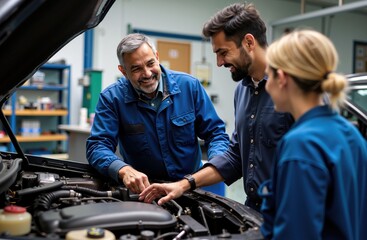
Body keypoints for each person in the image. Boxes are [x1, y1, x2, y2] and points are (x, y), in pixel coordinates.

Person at [139, 3, 294, 211]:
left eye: (223, 52)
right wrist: (183, 185)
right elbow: (235, 157)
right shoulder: (243, 91)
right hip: (255, 210)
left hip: (290, 212)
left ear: (249, 42)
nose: (219, 62)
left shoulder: (294, 89)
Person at [86, 33, 230, 194]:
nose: (147, 73)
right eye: (136, 68)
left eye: (150, 63)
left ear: (157, 56)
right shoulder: (112, 99)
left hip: (189, 188)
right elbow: (97, 146)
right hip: (144, 192)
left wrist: (215, 165)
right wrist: (123, 169)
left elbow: (216, 134)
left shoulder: (190, 87)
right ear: (123, 71)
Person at [258, 29, 367, 240]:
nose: (267, 87)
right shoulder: (352, 135)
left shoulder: (300, 146)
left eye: (268, 76)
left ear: (281, 78)